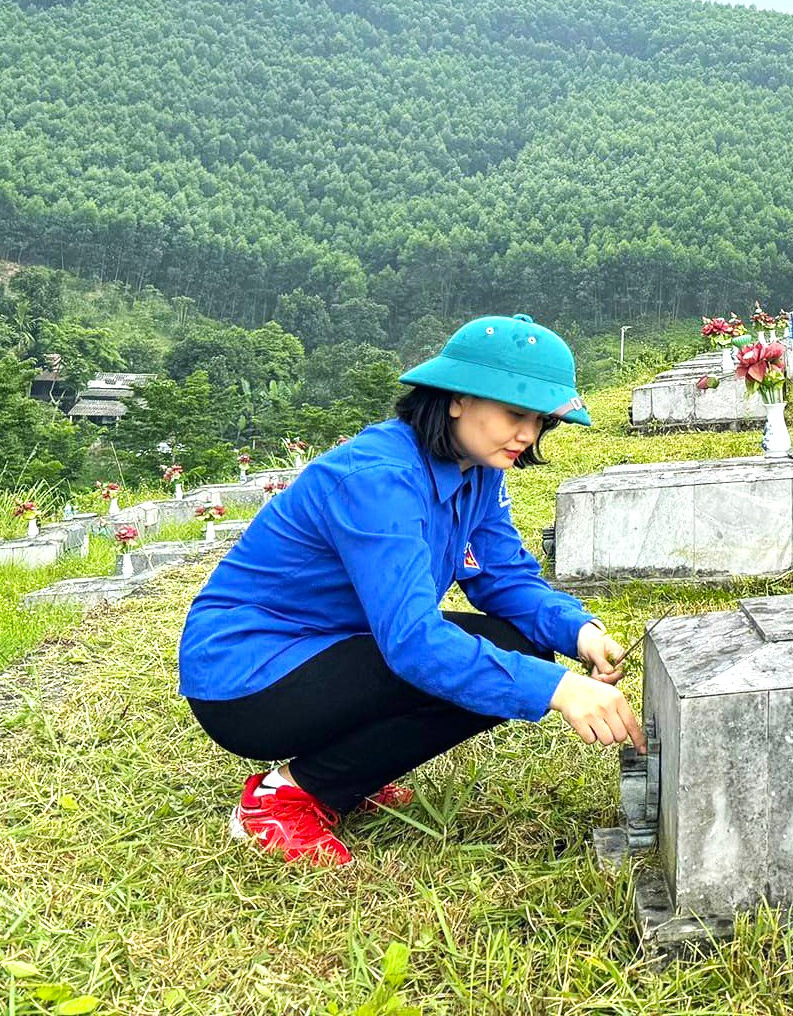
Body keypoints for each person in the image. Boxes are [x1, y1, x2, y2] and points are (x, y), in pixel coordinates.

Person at [177, 314, 638, 866]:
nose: (528, 435)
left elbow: (500, 574)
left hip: (334, 647)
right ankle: (284, 798)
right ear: (457, 399)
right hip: (250, 675)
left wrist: (579, 631)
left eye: (540, 421)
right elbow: (413, 644)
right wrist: (559, 689)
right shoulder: (378, 478)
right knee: (506, 665)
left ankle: (347, 774)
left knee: (521, 644)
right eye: (516, 414)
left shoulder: (478, 469)